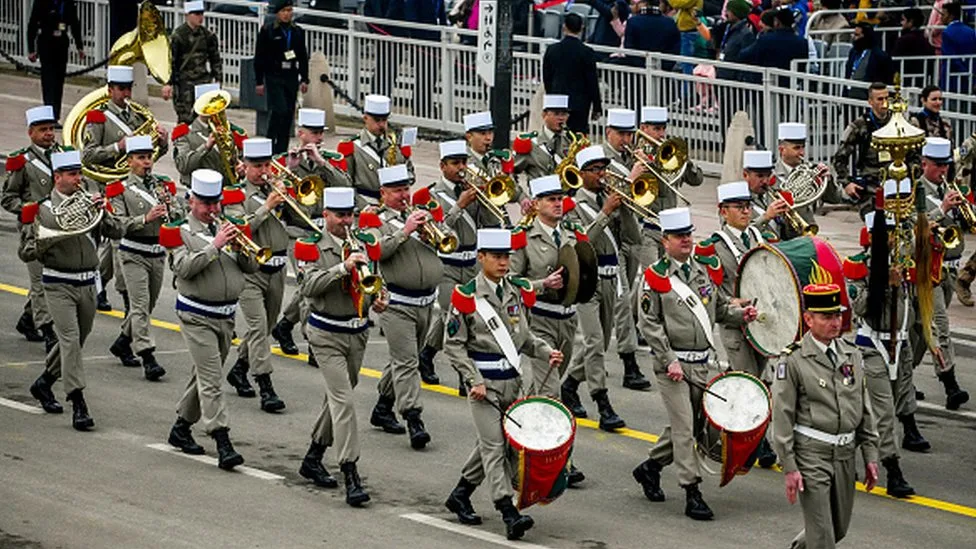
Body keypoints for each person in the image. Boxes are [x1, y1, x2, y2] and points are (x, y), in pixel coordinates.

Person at [633, 207, 757, 521]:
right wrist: (669, 359)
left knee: (690, 424)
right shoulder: (655, 278)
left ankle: (650, 467)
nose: (686, 240)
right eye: (679, 236)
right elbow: (649, 324)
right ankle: (692, 490)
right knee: (685, 428)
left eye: (688, 234)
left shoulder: (702, 271)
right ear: (665, 241)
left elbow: (718, 310)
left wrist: (742, 315)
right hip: (673, 368)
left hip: (701, 364)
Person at [442, 228, 563, 541]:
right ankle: (507, 510)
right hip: (484, 386)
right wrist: (473, 379)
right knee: (495, 447)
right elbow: (453, 345)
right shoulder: (466, 296)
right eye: (496, 257)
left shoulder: (515, 291)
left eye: (506, 257)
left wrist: (546, 351)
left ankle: (460, 494)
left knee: (496, 443)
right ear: (481, 257)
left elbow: (524, 338)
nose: (503, 262)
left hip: (513, 381)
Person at [22, 148, 143, 428]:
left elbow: (117, 231)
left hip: (87, 283)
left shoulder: (88, 201)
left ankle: (44, 382)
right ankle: (78, 402)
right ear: (57, 177)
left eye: (79, 174)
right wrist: (46, 242)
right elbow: (25, 251)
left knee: (76, 342)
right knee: (69, 340)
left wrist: (104, 213)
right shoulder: (41, 210)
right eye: (72, 174)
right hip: (58, 283)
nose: (79, 179)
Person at [163, 169, 260, 470]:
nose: (212, 209)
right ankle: (222, 441)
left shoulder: (227, 226)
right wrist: (215, 245)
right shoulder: (177, 231)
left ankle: (181, 428)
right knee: (212, 380)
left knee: (204, 376)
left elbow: (252, 268)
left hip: (225, 316)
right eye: (206, 203)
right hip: (196, 315)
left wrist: (241, 248)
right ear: (191, 200)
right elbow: (183, 269)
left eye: (216, 202)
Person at [772, 282, 880, 549]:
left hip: (845, 455)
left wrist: (870, 455)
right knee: (822, 536)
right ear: (809, 319)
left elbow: (863, 408)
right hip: (812, 455)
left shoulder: (851, 355)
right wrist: (789, 466)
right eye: (827, 316)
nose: (835, 322)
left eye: (838, 315)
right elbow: (782, 416)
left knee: (836, 529)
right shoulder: (793, 359)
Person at [297, 187, 387, 506]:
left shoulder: (362, 242)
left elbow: (373, 281)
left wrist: (378, 299)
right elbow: (308, 286)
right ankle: (350, 472)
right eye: (339, 215)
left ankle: (313, 456)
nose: (346, 221)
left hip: (357, 334)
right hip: (326, 333)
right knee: (344, 402)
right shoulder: (310, 246)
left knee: (337, 399)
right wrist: (342, 268)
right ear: (325, 215)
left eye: (350, 215)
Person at [363, 164, 454, 449]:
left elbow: (450, 241)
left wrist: (433, 230)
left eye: (406, 189)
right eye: (397, 191)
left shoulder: (421, 213)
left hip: (425, 303)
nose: (404, 195)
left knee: (405, 358)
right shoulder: (374, 218)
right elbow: (377, 250)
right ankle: (414, 418)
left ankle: (382, 406)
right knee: (407, 363)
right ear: (383, 193)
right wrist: (405, 231)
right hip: (397, 304)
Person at [561, 142, 639, 430]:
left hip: (611, 277)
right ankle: (602, 402)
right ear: (581, 174)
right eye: (594, 170)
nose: (602, 174)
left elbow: (634, 239)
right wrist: (605, 212)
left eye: (604, 168)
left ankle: (570, 384)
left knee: (602, 343)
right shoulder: (572, 206)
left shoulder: (611, 198)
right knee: (593, 342)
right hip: (587, 279)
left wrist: (626, 209)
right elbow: (580, 244)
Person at [83, 65, 170, 312]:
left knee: (118, 243)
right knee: (117, 242)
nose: (126, 94)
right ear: (110, 89)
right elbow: (87, 155)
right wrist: (117, 147)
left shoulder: (138, 115)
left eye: (129, 88)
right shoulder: (98, 117)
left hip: (137, 185)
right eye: (121, 89)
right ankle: (126, 298)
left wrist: (163, 143)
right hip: (111, 185)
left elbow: (149, 154)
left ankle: (98, 284)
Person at [269, 108, 352, 364]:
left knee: (319, 283)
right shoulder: (283, 160)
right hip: (297, 233)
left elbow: (346, 186)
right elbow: (273, 192)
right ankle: (315, 344)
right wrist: (290, 169)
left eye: (320, 133)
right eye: (313, 133)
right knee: (310, 287)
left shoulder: (330, 159)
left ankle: (285, 325)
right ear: (300, 133)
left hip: (325, 231)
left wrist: (321, 162)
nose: (318, 138)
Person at [845, 208, 917, 498]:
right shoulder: (858, 266)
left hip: (900, 344)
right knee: (884, 412)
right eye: (885, 234)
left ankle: (846, 453)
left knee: (883, 410)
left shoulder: (903, 262)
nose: (891, 239)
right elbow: (859, 307)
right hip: (873, 345)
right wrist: (885, 283)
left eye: (894, 233)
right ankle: (893, 469)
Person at [223, 138, 290, 413]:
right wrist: (267, 206)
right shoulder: (235, 195)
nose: (264, 171)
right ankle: (266, 386)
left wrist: (289, 199)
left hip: (278, 269)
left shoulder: (277, 190)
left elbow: (302, 221)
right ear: (245, 166)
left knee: (266, 327)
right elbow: (238, 228)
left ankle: (239, 369)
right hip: (251, 270)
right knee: (258, 328)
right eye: (258, 166)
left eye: (267, 165)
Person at [416, 141, 489, 390]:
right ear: (442, 166)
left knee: (461, 316)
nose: (461, 168)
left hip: (472, 264)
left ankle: (427, 352)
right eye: (455, 163)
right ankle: (464, 375)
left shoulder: (472, 189)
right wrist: (459, 206)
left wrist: (486, 198)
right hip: (446, 264)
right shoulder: (433, 195)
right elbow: (437, 228)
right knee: (456, 316)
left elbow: (490, 222)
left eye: (464, 162)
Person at [105, 134, 177, 381]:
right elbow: (117, 224)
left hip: (157, 252)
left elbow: (179, 214)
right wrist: (145, 219)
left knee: (146, 306)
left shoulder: (162, 185)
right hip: (133, 252)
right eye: (141, 158)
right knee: (139, 306)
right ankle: (148, 357)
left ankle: (122, 342)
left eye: (149, 157)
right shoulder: (119, 189)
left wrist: (171, 207)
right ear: (129, 161)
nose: (147, 162)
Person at [914, 138, 970, 412]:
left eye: (946, 165)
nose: (943, 170)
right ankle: (951, 385)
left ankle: (902, 378)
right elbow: (914, 225)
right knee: (939, 327)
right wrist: (943, 209)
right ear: (924, 164)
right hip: (927, 269)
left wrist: (964, 210)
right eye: (937, 165)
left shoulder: (951, 188)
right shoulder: (915, 191)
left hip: (950, 268)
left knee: (919, 332)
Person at [2, 105, 61, 351]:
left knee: (53, 279)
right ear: (30, 133)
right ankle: (48, 331)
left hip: (60, 228)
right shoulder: (21, 162)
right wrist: (28, 209)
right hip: (33, 231)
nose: (49, 134)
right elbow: (8, 198)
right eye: (43, 129)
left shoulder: (63, 155)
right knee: (41, 281)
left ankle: (28, 319)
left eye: (51, 129)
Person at [602, 109, 652, 390]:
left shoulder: (631, 158)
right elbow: (613, 197)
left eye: (629, 134)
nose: (626, 139)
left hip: (632, 238)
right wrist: (633, 175)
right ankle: (629, 364)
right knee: (621, 302)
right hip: (611, 239)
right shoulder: (601, 159)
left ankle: (592, 359)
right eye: (621, 134)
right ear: (608, 132)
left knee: (615, 303)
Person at [254, 0, 310, 154]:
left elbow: (303, 56)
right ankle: (270, 141)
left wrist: (304, 78)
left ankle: (282, 149)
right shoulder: (268, 30)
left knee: (288, 113)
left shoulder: (297, 31)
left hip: (290, 75)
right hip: (274, 75)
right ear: (277, 13)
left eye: (289, 10)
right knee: (279, 109)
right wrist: (259, 81)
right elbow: (260, 57)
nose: (287, 14)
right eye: (284, 11)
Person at [337, 94, 412, 208]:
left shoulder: (396, 144)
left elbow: (410, 173)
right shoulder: (351, 146)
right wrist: (363, 206)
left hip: (393, 205)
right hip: (366, 205)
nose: (381, 125)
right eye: (377, 120)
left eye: (384, 120)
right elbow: (345, 183)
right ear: (365, 118)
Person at [774, 122, 842, 239]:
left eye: (803, 147)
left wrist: (828, 180)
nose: (802, 153)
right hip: (781, 234)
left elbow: (835, 199)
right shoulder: (772, 175)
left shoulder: (811, 171)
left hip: (808, 232)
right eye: (796, 148)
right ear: (782, 150)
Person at [831, 82, 892, 214]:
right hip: (870, 185)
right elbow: (839, 158)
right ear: (870, 102)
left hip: (895, 184)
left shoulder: (897, 122)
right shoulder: (860, 125)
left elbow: (914, 153)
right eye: (880, 99)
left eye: (887, 98)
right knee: (873, 222)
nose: (884, 103)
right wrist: (846, 182)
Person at [173, 84, 249, 188]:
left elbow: (244, 160)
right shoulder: (185, 134)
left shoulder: (231, 131)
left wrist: (241, 168)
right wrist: (206, 146)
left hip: (227, 189)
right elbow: (183, 166)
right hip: (199, 190)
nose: (215, 110)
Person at [162, 1, 222, 125]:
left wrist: (218, 79)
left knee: (205, 118)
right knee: (185, 119)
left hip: (202, 82)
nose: (200, 17)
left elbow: (215, 59)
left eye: (201, 14)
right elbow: (171, 61)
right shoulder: (178, 36)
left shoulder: (208, 36)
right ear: (187, 15)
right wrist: (168, 83)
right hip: (184, 84)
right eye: (196, 14)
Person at [542, 12, 603, 134]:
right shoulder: (587, 52)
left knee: (556, 136)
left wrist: (551, 96)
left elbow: (547, 77)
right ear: (582, 28)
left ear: (564, 27)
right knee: (578, 138)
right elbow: (592, 82)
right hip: (580, 104)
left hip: (557, 102)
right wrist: (597, 106)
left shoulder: (552, 50)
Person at [27, 0, 84, 120]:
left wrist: (79, 46)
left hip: (61, 42)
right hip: (46, 41)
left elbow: (74, 23)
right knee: (48, 80)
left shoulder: (68, 2)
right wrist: (31, 49)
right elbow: (33, 23)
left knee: (59, 81)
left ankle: (56, 115)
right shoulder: (41, 2)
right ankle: (49, 114)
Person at [740, 6, 808, 86]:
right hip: (791, 86)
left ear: (777, 22)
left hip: (767, 84)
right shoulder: (802, 42)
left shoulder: (766, 39)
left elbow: (745, 55)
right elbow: (802, 66)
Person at [513, 95, 572, 181]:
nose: (561, 118)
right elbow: (511, 171)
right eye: (556, 114)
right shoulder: (530, 142)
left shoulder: (570, 141)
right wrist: (519, 190)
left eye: (564, 114)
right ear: (544, 115)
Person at [624, 0, 680, 72]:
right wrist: (665, 66)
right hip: (664, 71)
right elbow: (675, 48)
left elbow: (628, 47)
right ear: (659, 3)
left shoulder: (633, 21)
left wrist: (640, 65)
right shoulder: (670, 22)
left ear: (646, 3)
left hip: (638, 71)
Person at [744, 150, 787, 241]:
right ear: (745, 175)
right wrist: (766, 217)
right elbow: (740, 234)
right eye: (760, 176)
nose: (765, 181)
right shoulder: (735, 201)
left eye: (768, 176)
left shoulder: (772, 195)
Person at [843, 23, 895, 99]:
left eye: (857, 35)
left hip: (869, 98)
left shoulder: (880, 56)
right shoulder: (853, 52)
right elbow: (848, 74)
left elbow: (887, 80)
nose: (853, 37)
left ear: (866, 36)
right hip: (850, 95)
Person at [938, 2, 976, 95]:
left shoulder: (947, 33)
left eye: (943, 14)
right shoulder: (971, 31)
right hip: (971, 74)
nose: (940, 17)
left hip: (951, 78)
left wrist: (964, 72)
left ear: (951, 16)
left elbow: (951, 57)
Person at [890, 7, 934, 84]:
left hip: (905, 79)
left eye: (903, 20)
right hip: (922, 80)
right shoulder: (924, 39)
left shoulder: (903, 40)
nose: (901, 23)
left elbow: (894, 59)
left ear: (911, 22)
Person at [715, 0, 756, 81]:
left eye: (729, 11)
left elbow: (746, 59)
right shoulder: (728, 28)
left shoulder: (746, 34)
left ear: (736, 13)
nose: (726, 13)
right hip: (723, 74)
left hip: (733, 79)